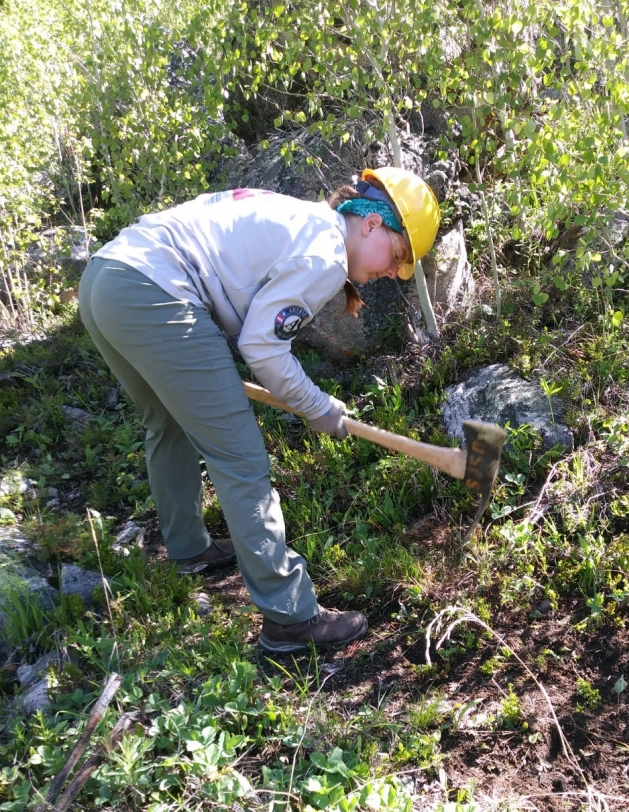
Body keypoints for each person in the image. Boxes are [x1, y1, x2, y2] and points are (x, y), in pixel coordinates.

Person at [77, 167, 440, 652]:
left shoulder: (306, 221)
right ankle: (289, 616)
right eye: (397, 257)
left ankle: (189, 549)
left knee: (166, 422)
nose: (390, 274)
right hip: (156, 290)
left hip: (109, 278)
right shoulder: (325, 255)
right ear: (372, 223)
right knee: (242, 458)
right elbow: (263, 348)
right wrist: (317, 407)